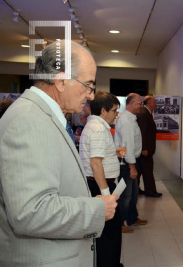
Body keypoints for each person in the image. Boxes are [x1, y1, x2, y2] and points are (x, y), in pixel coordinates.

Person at [0, 40, 119, 267]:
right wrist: (96, 209)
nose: (91, 95)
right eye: (88, 84)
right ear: (61, 80)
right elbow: (30, 212)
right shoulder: (29, 120)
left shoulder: (43, 116)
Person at [79, 92, 123, 267]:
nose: (116, 114)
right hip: (101, 187)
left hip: (99, 185)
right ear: (104, 111)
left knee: (109, 232)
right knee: (109, 233)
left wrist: (113, 151)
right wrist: (106, 194)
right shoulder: (97, 128)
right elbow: (96, 164)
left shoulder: (96, 126)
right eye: (114, 110)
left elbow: (98, 155)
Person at [115, 93, 148, 233]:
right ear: (131, 104)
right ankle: (120, 223)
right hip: (126, 163)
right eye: (139, 103)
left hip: (131, 161)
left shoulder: (131, 119)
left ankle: (132, 218)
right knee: (126, 196)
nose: (141, 106)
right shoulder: (127, 121)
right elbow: (126, 146)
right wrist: (132, 167)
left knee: (134, 194)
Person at [136, 95, 162, 197]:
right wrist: (144, 148)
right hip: (145, 150)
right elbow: (142, 132)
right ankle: (150, 191)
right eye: (154, 102)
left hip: (145, 149)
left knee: (140, 170)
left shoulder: (146, 113)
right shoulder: (144, 114)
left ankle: (137, 189)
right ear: (149, 102)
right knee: (147, 171)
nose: (156, 104)